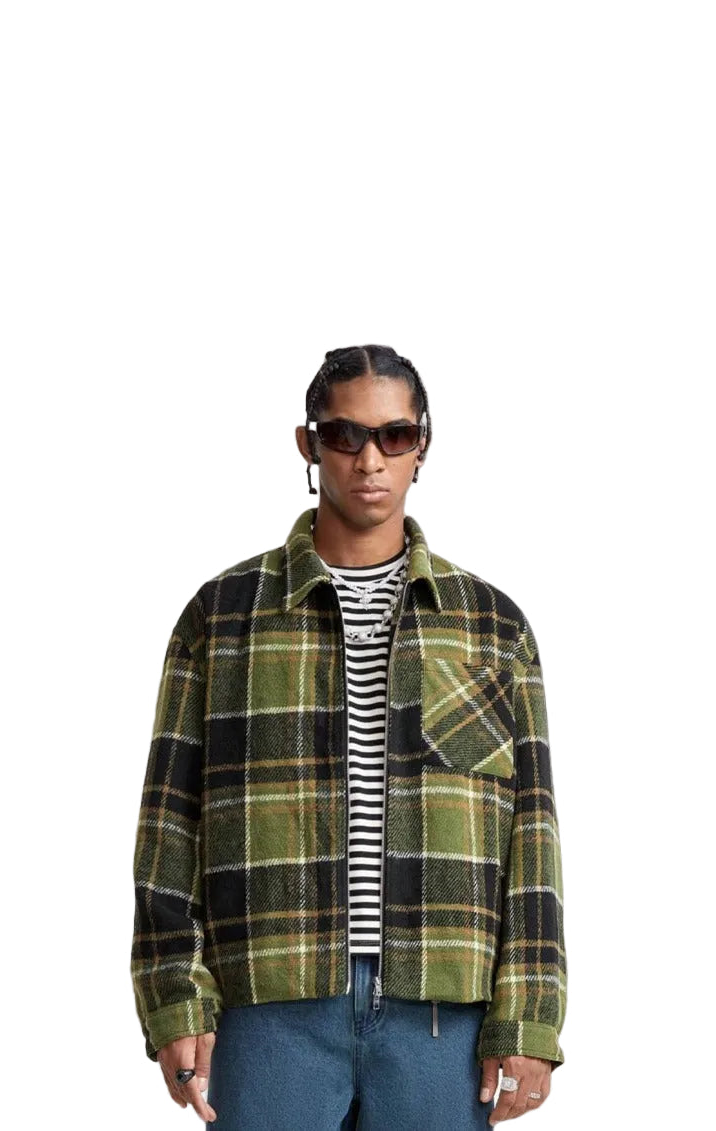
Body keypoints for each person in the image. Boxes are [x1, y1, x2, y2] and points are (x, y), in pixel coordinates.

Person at [130, 344, 567, 1129]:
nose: (371, 459)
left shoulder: (491, 627)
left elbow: (532, 834)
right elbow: (169, 826)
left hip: (442, 1013)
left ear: (422, 445)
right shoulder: (222, 617)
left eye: (395, 436)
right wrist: (173, 995)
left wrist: (530, 1015)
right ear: (309, 443)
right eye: (345, 434)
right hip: (269, 999)